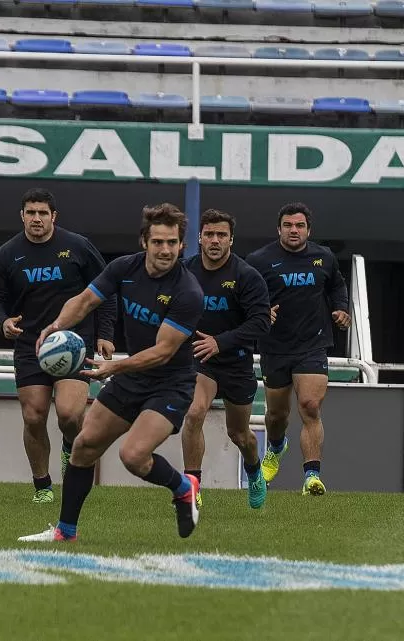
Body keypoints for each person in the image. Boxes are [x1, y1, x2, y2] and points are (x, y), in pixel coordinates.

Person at [19, 203, 204, 542]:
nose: (165, 250)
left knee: (133, 456)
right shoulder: (124, 267)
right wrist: (56, 325)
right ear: (144, 242)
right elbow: (85, 300)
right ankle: (65, 532)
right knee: (85, 445)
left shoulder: (188, 292)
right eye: (158, 242)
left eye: (173, 243)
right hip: (132, 377)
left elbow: (163, 353)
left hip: (170, 384)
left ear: (181, 245)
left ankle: (182, 488)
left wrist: (113, 367)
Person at [0, 187, 114, 503]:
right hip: (30, 344)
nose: (36, 218)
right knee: (34, 416)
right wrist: (2, 321)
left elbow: (106, 289)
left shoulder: (78, 247)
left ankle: (71, 447)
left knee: (69, 414)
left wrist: (105, 333)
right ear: (22, 216)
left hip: (73, 342)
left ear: (53, 216)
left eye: (43, 213)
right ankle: (42, 487)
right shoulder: (8, 253)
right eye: (31, 212)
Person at [245, 203, 351, 496]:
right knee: (277, 416)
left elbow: (336, 287)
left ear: (308, 230)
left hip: (312, 344)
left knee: (310, 406)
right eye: (289, 226)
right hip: (275, 347)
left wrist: (341, 309)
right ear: (279, 229)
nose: (294, 230)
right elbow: (244, 296)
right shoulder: (259, 260)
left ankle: (312, 477)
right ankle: (276, 447)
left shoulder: (324, 257)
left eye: (300, 226)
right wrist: (260, 312)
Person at [181, 209, 271, 509]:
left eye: (221, 235)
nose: (215, 240)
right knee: (194, 414)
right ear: (200, 237)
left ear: (231, 239)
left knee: (239, 434)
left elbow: (261, 322)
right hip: (199, 359)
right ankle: (192, 486)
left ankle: (254, 469)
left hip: (236, 361)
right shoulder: (185, 271)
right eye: (209, 234)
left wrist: (221, 342)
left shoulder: (247, 276)